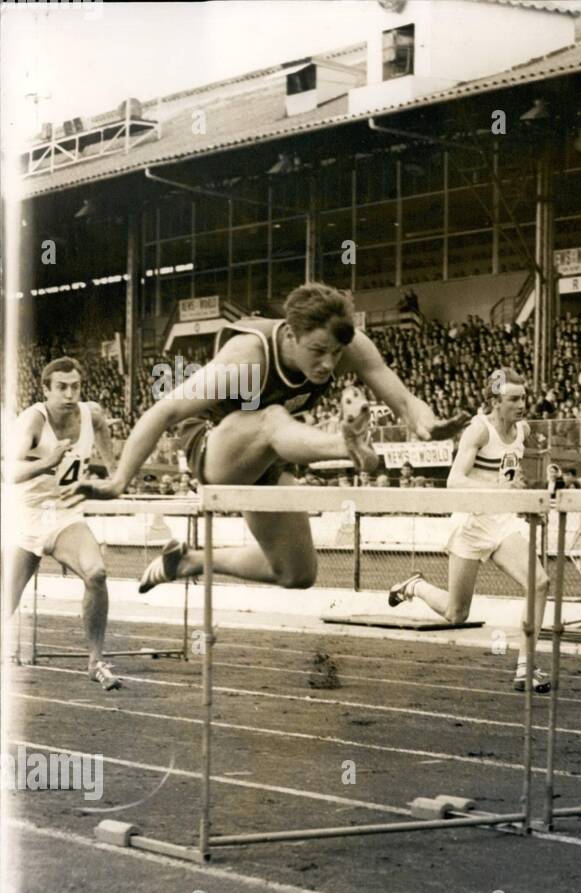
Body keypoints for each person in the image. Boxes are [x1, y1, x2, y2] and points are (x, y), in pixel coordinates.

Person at [78, 283, 468, 592]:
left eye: (336, 354)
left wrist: (428, 423)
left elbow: (402, 398)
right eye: (317, 351)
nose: (329, 364)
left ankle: (191, 561)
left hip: (267, 457)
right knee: (271, 418)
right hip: (213, 448)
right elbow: (163, 412)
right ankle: (342, 445)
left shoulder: (345, 343)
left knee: (296, 572)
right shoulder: (248, 356)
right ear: (289, 336)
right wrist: (118, 480)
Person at [387, 369, 550, 693]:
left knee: (540, 582)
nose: (522, 405)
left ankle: (525, 667)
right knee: (456, 613)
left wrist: (542, 472)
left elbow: (531, 449)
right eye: (514, 399)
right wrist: (501, 492)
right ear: (494, 401)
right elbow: (454, 481)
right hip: (471, 523)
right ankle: (414, 587)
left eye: (524, 397)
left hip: (500, 521)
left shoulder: (523, 429)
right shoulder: (478, 430)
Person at [5, 357, 123, 689]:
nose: (70, 394)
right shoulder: (32, 421)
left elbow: (101, 428)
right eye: (61, 387)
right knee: (7, 600)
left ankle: (96, 661)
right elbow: (8, 471)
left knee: (96, 574)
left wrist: (114, 470)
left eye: (76, 386)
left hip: (64, 514)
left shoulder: (90, 413)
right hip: (25, 515)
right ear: (46, 390)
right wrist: (48, 462)